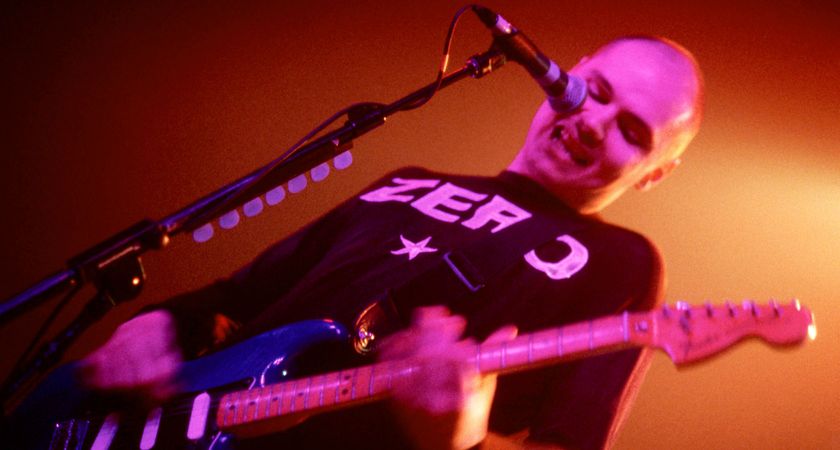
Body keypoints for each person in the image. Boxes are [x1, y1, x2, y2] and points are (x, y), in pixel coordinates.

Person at [77, 36, 703, 449]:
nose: (592, 124)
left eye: (630, 130)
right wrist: (154, 326)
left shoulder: (621, 261)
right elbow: (236, 299)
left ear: (655, 172)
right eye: (595, 90)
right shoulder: (408, 182)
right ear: (572, 70)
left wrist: (462, 437)